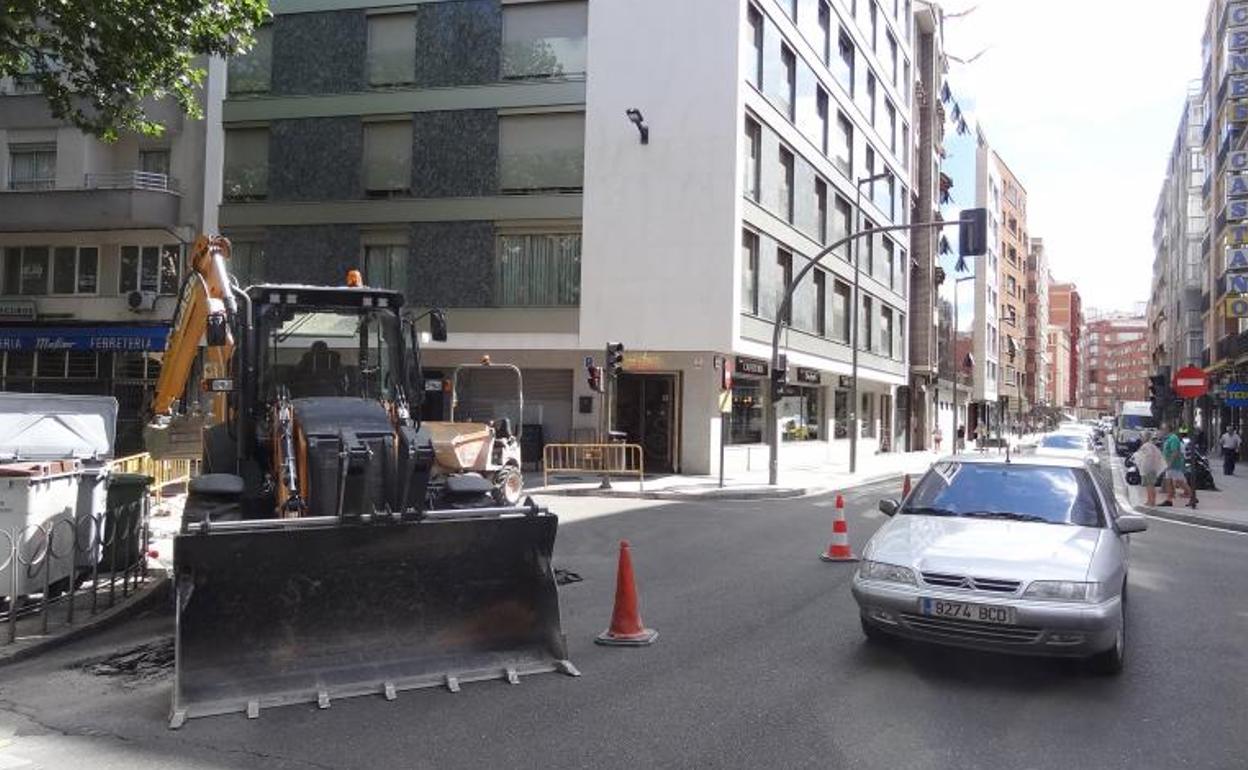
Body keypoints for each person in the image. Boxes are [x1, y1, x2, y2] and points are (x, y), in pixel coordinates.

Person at [1161, 424, 1197, 509]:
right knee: (1169, 482)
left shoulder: (1173, 438)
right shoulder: (1168, 438)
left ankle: (1193, 497)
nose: (1162, 431)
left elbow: (1175, 452)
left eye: (1163, 429)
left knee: (1180, 482)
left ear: (1168, 429)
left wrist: (1169, 463)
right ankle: (1169, 500)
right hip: (1169, 464)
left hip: (1174, 465)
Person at [1131, 431, 1164, 507]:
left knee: (1150, 486)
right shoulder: (1149, 445)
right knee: (1149, 485)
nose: (1141, 438)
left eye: (1142, 437)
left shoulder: (1147, 446)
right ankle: (1150, 500)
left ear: (1146, 437)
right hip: (1149, 468)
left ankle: (1152, 501)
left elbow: (1149, 457)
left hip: (1149, 468)